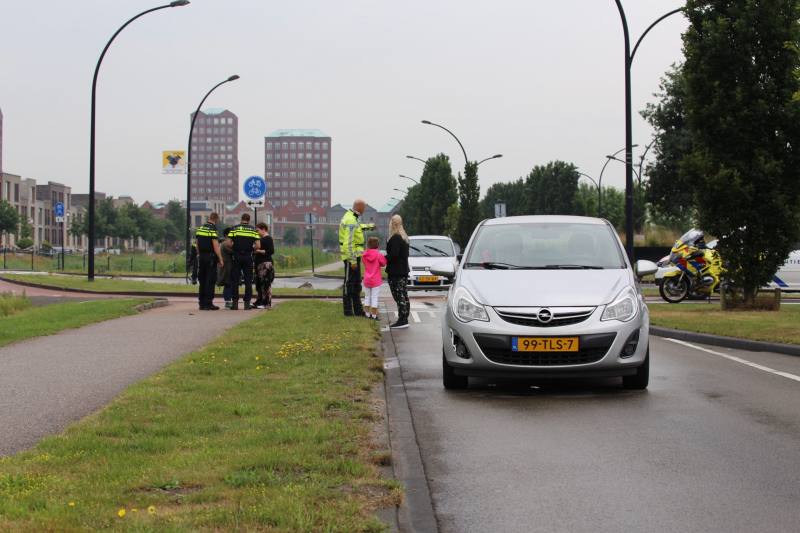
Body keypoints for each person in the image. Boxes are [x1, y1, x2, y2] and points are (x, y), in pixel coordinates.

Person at [339, 199, 375, 317]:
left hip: (355, 256)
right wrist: (352, 260)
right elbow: (348, 243)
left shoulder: (353, 218)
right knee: (349, 284)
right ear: (361, 208)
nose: (364, 210)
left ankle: (359, 311)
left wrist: (369, 226)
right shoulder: (351, 220)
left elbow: (358, 229)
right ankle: (348, 311)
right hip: (351, 257)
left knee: (356, 284)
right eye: (364, 208)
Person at [227, 213, 260, 310]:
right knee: (248, 279)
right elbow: (258, 245)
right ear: (249, 220)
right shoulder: (253, 230)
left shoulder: (234, 229)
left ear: (241, 219)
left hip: (236, 255)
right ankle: (246, 303)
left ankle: (235, 303)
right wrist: (251, 249)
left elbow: (228, 243)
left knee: (235, 279)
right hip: (247, 256)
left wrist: (235, 247)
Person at [195, 212, 224, 311]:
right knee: (210, 280)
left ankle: (201, 303)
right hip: (210, 258)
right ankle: (208, 303)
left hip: (201, 257)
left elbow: (197, 244)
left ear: (208, 218)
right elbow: (216, 246)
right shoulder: (213, 229)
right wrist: (220, 259)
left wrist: (199, 255)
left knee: (202, 280)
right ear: (216, 220)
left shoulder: (200, 228)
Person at [386, 214, 410, 328]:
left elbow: (394, 255)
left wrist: (383, 258)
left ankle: (402, 320)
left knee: (398, 295)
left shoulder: (395, 237)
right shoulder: (404, 237)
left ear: (392, 224)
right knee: (404, 294)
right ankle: (405, 317)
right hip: (404, 270)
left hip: (396, 270)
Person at [361, 236, 386, 320]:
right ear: (377, 245)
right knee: (374, 297)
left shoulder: (364, 255)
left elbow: (365, 264)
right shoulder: (379, 255)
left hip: (367, 279)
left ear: (368, 245)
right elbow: (383, 263)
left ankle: (367, 314)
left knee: (367, 296)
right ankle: (374, 316)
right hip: (375, 279)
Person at [253, 222, 275, 309]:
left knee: (265, 283)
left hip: (265, 263)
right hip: (259, 263)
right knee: (259, 283)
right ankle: (259, 300)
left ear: (263, 229)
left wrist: (258, 251)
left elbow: (270, 251)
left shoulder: (268, 239)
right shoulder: (261, 239)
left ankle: (266, 302)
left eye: (257, 230)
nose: (256, 232)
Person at [217, 227, 234, 309]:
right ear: (226, 235)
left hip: (228, 266)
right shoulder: (225, 243)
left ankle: (228, 301)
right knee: (227, 284)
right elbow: (232, 251)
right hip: (226, 267)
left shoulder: (224, 242)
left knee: (228, 284)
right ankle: (227, 302)